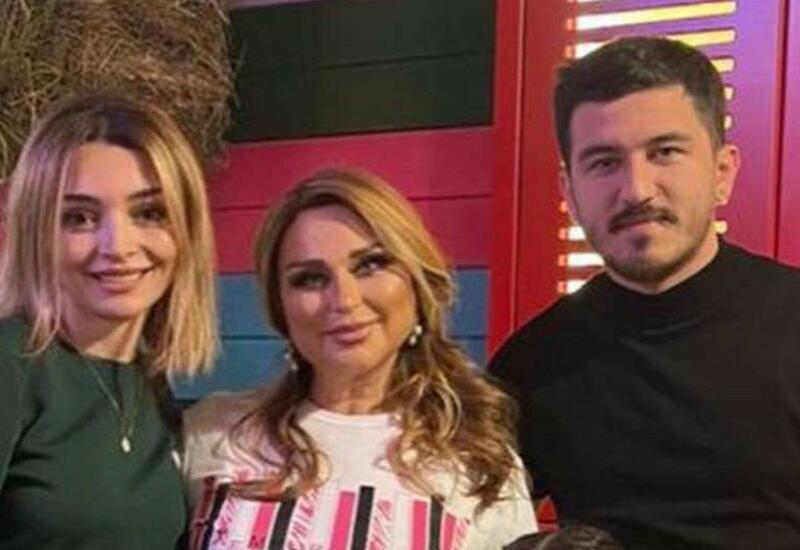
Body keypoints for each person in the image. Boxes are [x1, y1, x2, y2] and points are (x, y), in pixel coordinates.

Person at [489, 36, 800, 549]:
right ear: (570, 192)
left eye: (665, 153)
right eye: (604, 162)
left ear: (722, 173)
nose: (636, 189)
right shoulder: (531, 366)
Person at [183, 168, 537, 549]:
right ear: (280, 306)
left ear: (416, 283)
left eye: (370, 265)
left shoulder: (482, 462)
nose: (345, 300)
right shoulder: (211, 431)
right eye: (310, 278)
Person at [0, 95, 218, 549]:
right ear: (37, 233)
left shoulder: (149, 384)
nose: (118, 246)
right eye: (79, 218)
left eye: (149, 213)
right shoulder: (12, 364)